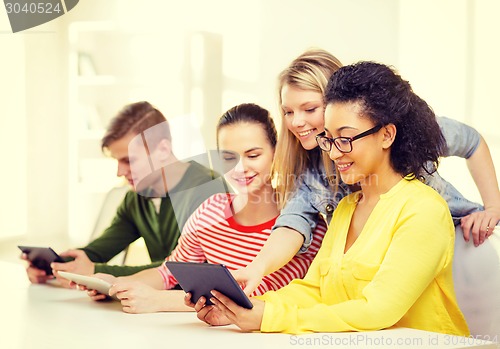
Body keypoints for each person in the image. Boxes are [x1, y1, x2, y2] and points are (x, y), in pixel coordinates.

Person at [189, 61, 470, 335]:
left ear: (387, 135)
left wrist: (269, 317)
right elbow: (314, 289)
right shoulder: (346, 208)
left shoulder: (423, 210)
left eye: (345, 139)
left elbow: (378, 309)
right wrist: (241, 308)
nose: (334, 154)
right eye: (329, 140)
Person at [234, 49, 500, 294]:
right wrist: (257, 268)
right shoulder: (312, 173)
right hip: (401, 272)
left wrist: (492, 208)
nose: (297, 122)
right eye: (288, 111)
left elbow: (471, 141)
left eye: (310, 109)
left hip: (466, 246)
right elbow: (292, 225)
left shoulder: (399, 132)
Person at [83, 103, 327, 313]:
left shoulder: (302, 229)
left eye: (253, 155)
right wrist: (117, 284)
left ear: (276, 154)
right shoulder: (209, 211)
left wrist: (159, 301)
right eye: (228, 158)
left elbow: (254, 297)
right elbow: (168, 272)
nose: (240, 169)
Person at [23, 101, 227, 285]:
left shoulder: (208, 189)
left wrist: (95, 271)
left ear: (163, 150)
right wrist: (52, 267)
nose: (120, 172)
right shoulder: (136, 198)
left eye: (129, 161)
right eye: (117, 161)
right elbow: (97, 251)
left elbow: (183, 270)